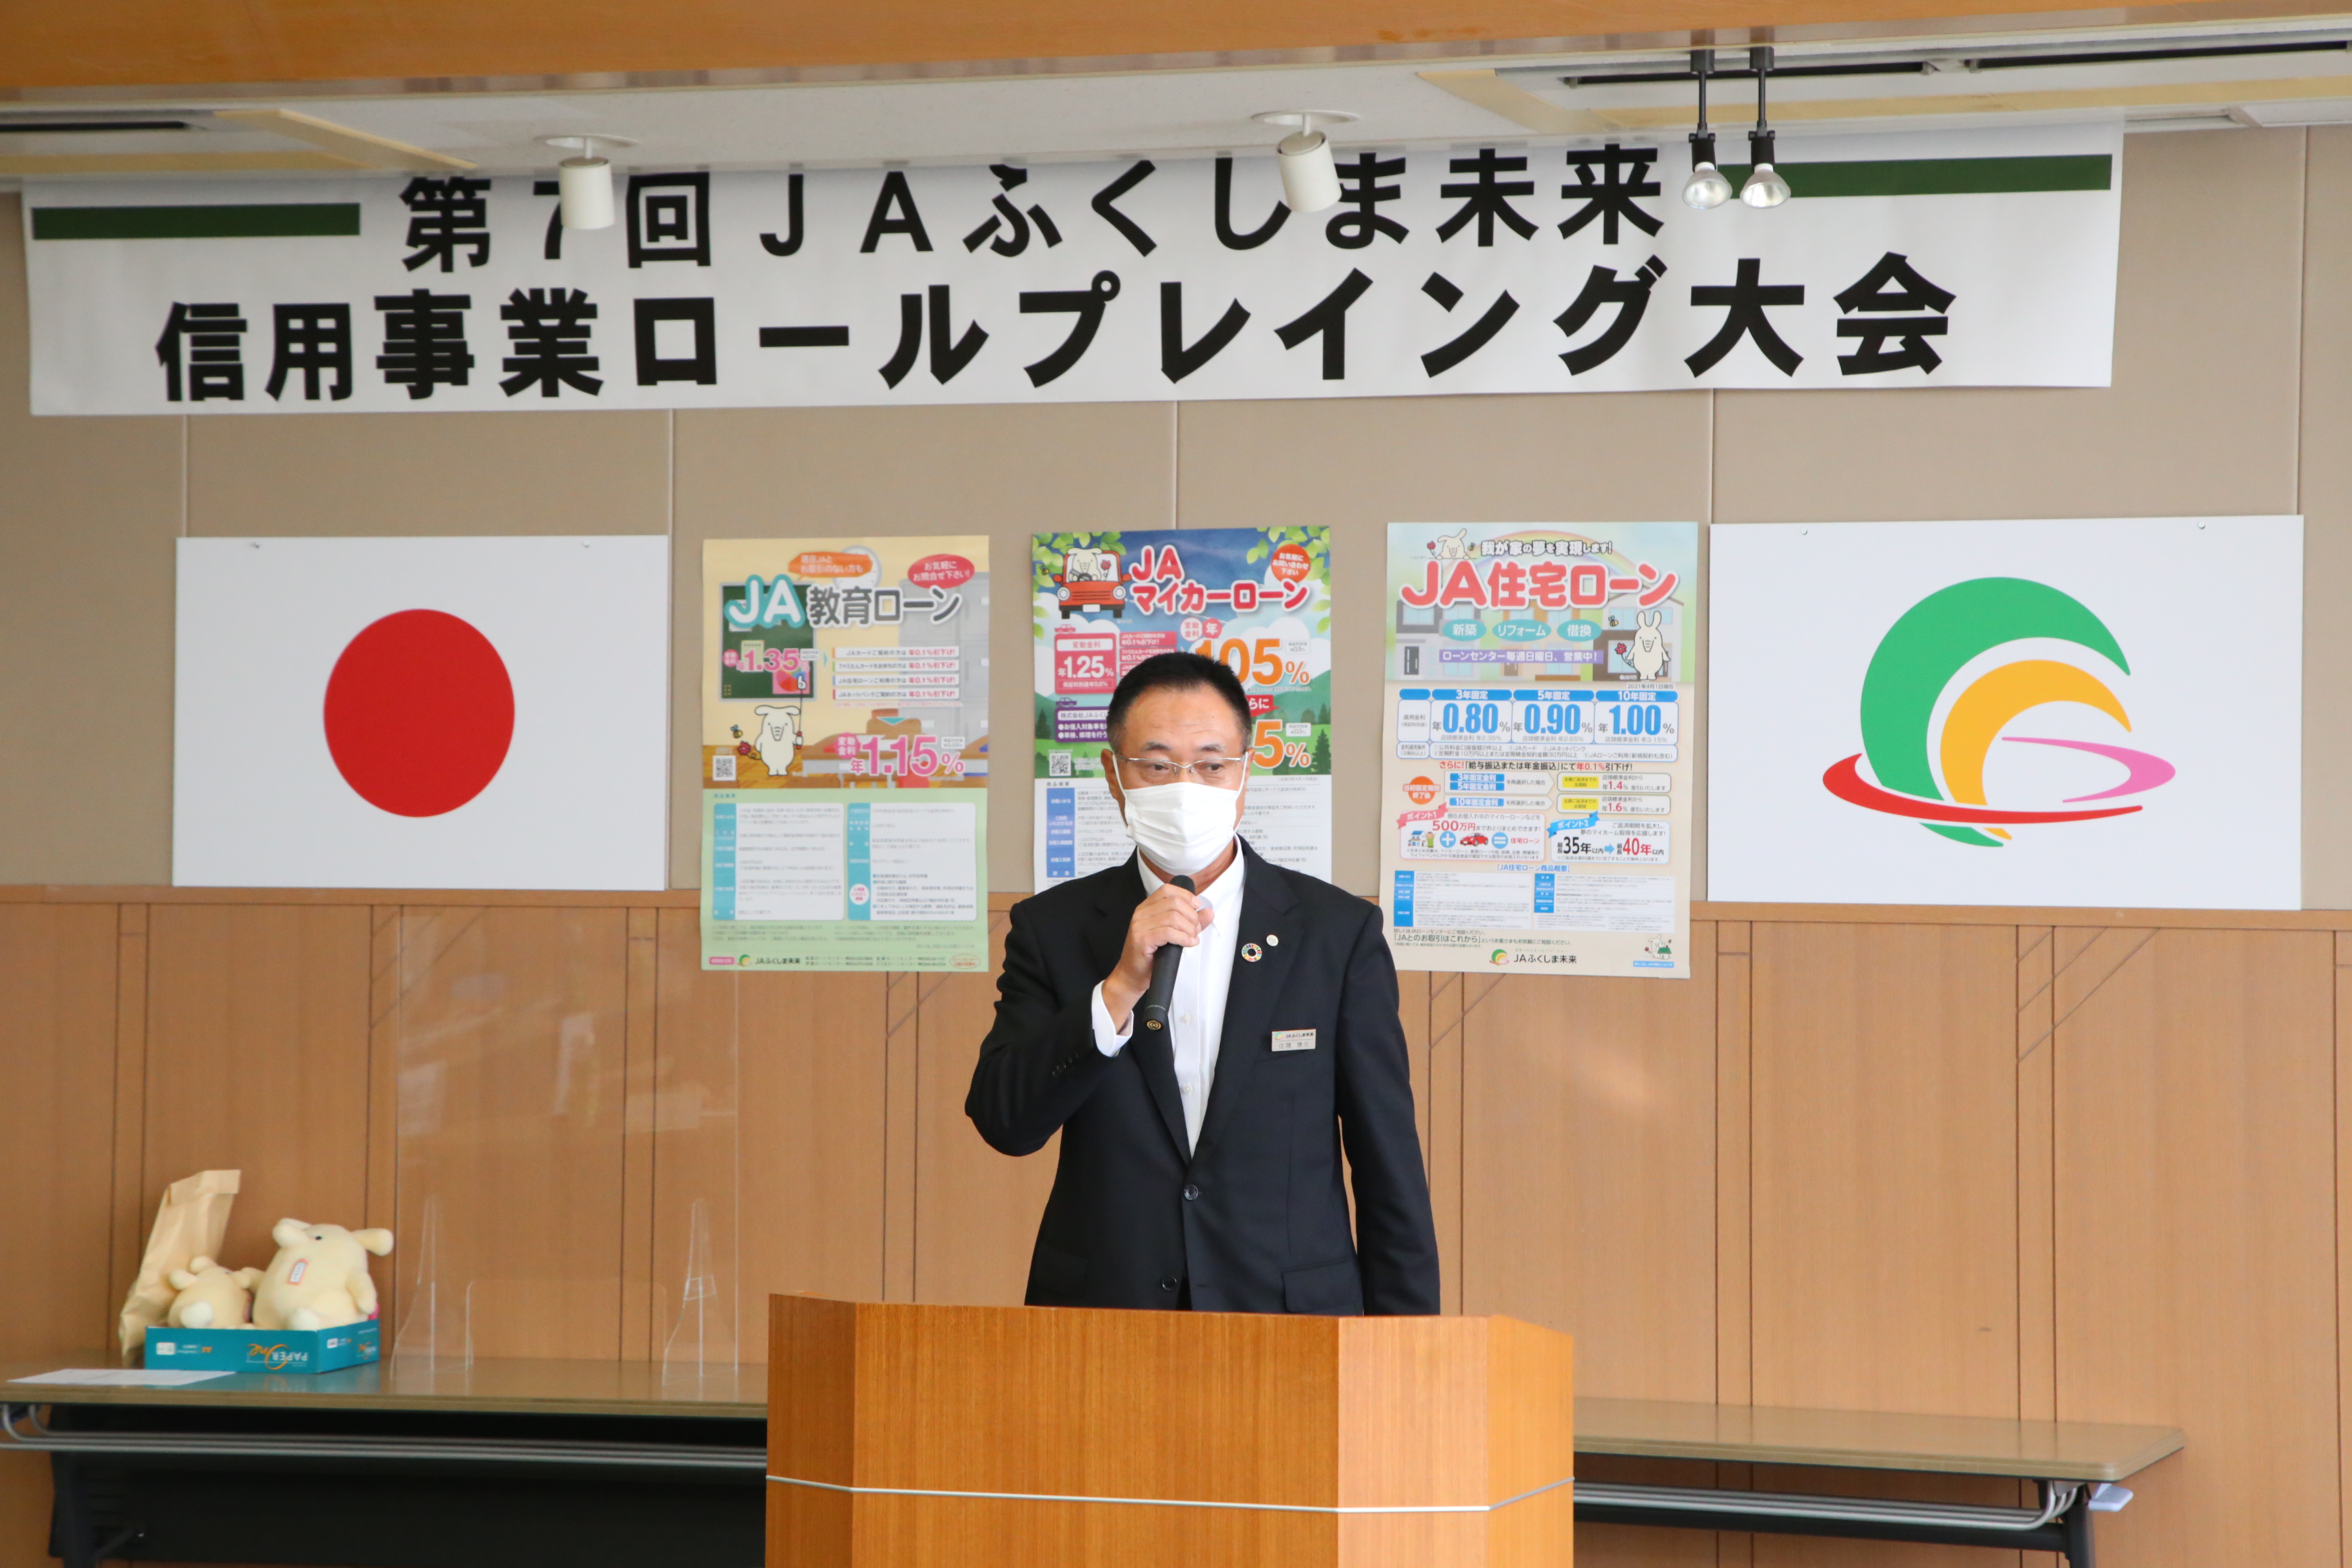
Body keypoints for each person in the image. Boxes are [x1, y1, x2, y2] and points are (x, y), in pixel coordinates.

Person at [966, 652, 1440, 1315]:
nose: (1186, 787)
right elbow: (1005, 1121)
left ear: (1245, 772)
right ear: (1114, 774)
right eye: (1158, 766)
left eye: (1212, 765)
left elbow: (1387, 1158)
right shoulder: (1054, 928)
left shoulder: (1336, 933)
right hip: (1105, 1316)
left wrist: (1410, 1343)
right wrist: (1117, 988)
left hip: (1288, 1316)